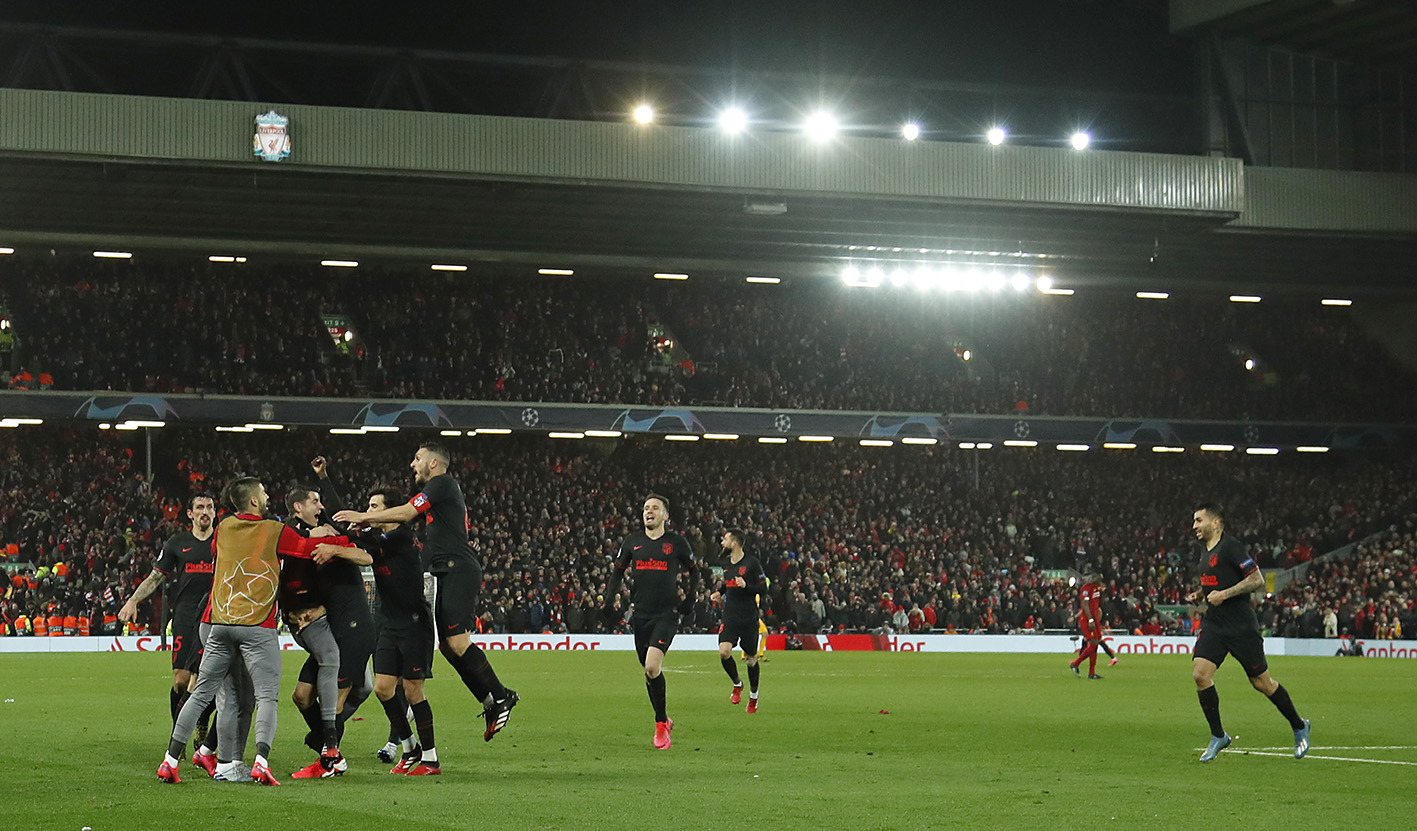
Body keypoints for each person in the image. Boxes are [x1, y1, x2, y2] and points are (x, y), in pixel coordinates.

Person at [156, 476, 361, 786]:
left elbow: (216, 550)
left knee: (202, 695)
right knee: (266, 698)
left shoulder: (223, 527)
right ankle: (260, 762)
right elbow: (306, 549)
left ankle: (171, 761)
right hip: (255, 626)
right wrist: (342, 542)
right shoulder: (274, 530)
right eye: (264, 494)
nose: (267, 498)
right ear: (254, 501)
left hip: (219, 622)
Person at [333, 442, 518, 752]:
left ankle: (501, 696)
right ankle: (490, 700)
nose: (412, 464)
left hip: (459, 568)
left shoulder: (442, 484)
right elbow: (401, 520)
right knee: (447, 646)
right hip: (446, 570)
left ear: (434, 463)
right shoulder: (438, 496)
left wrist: (364, 517)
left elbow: (406, 512)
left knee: (458, 642)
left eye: (417, 458)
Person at [1186, 502, 1310, 763]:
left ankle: (1299, 725)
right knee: (1200, 675)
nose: (1194, 526)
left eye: (1199, 520)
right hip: (1215, 624)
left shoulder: (1231, 546)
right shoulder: (1203, 550)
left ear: (1216, 523)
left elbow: (1257, 580)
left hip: (1241, 626)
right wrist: (1202, 593)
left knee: (1262, 684)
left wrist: (1225, 594)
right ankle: (1218, 735)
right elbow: (1215, 580)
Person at [280, 485, 374, 780]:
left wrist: (333, 545)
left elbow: (367, 555)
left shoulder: (333, 538)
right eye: (315, 501)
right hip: (333, 624)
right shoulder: (296, 537)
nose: (320, 508)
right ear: (298, 508)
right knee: (302, 696)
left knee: (342, 697)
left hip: (353, 627)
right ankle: (324, 740)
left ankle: (330, 756)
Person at [119, 494, 217, 749]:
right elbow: (154, 578)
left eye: (209, 507)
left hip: (216, 615)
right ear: (190, 513)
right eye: (199, 507)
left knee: (212, 680)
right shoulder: (178, 543)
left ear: (215, 512)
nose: (204, 512)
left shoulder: (223, 541)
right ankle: (179, 732)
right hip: (185, 615)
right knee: (181, 680)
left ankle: (200, 725)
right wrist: (132, 600)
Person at [602, 493, 699, 748]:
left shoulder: (676, 543)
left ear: (665, 516)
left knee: (652, 667)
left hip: (666, 615)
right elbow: (617, 572)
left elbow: (695, 571)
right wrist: (609, 602)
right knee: (648, 672)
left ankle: (659, 725)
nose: (649, 511)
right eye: (646, 508)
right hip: (641, 615)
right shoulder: (633, 541)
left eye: (655, 508)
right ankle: (664, 719)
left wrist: (690, 600)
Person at [710, 528, 767, 714]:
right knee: (724, 652)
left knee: (751, 660)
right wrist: (720, 593)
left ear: (734, 543)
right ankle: (737, 683)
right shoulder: (725, 563)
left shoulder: (752, 563)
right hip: (730, 616)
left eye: (725, 540)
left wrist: (747, 586)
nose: (722, 543)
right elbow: (729, 584)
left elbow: (763, 588)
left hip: (749, 617)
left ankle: (753, 696)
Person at [1067, 572, 1115, 679]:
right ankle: (1075, 664)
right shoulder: (1086, 589)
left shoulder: (1097, 588)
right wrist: (1091, 620)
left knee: (1096, 644)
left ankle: (1091, 673)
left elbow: (1100, 599)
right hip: (1087, 619)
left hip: (1095, 619)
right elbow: (1085, 604)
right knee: (1093, 644)